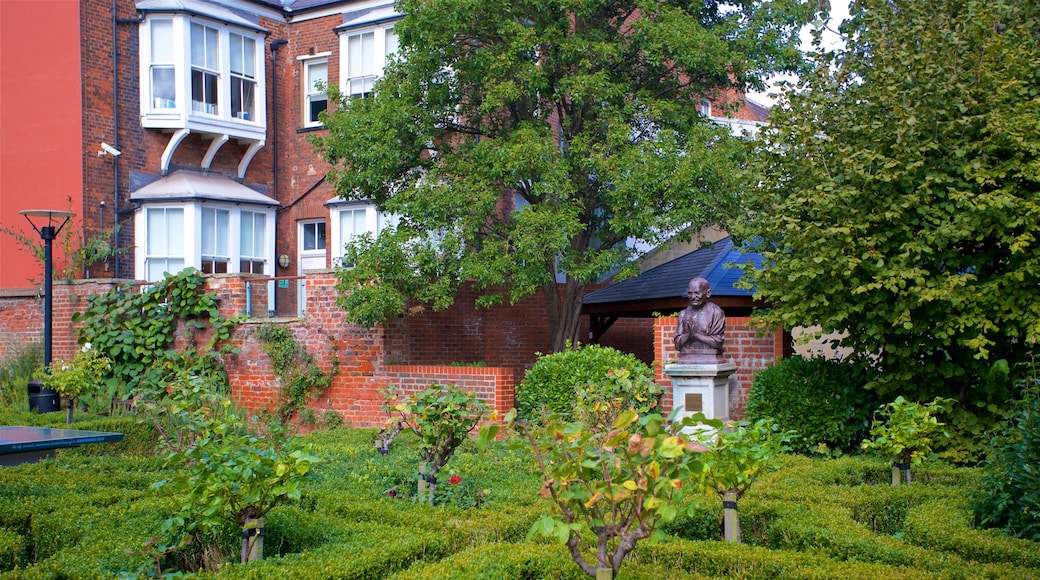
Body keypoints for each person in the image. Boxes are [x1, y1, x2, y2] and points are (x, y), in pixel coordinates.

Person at [673, 277, 726, 364]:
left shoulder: (716, 313)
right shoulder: (683, 314)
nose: (693, 297)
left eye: (697, 293)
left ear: (708, 293)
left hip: (710, 358)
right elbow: (678, 345)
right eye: (690, 293)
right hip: (687, 358)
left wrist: (696, 334)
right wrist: (687, 334)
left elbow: (718, 343)